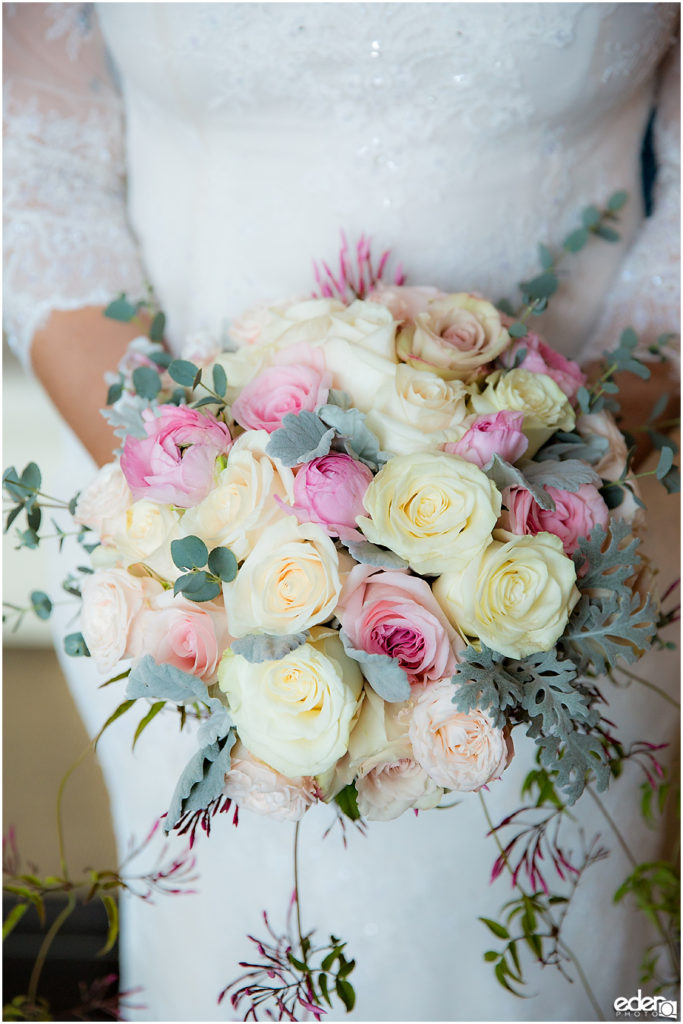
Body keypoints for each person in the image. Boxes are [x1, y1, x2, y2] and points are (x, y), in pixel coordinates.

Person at [4, 4, 680, 1021]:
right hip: (196, 564)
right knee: (225, 949)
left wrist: (549, 486)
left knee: (557, 957)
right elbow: (36, 151)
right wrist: (209, 504)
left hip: (580, 543)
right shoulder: (199, 548)